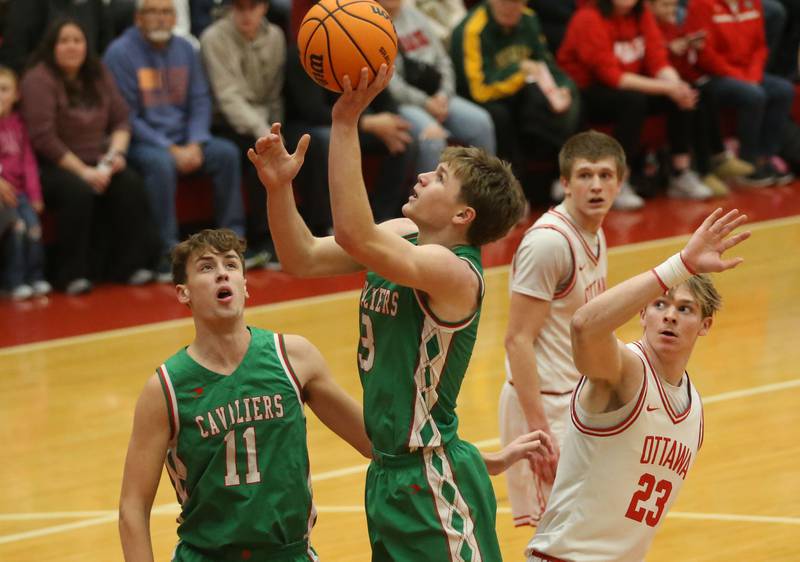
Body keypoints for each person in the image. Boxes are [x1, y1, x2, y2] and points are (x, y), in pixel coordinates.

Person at [118, 228, 554, 561]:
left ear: (246, 286)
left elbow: (378, 441)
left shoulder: (293, 357)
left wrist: (477, 460)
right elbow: (132, 507)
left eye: (231, 264)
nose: (222, 274)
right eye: (206, 267)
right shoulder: (167, 387)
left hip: (290, 553)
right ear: (183, 294)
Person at [249, 63, 531, 560]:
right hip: (386, 472)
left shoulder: (456, 272)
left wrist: (345, 122)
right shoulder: (403, 237)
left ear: (463, 215)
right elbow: (303, 258)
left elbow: (356, 234)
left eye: (440, 177)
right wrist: (278, 189)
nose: (423, 175)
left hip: (431, 476)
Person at [526, 207, 750, 561]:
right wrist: (681, 265)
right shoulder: (627, 370)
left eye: (686, 309)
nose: (671, 315)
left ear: (705, 326)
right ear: (643, 314)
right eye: (660, 304)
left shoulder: (693, 409)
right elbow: (584, 326)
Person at [498, 130, 622, 528]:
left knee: (587, 526)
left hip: (577, 398)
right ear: (565, 183)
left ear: (620, 181)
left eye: (605, 175)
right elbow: (517, 339)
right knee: (558, 532)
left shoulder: (596, 232)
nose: (596, 185)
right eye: (585, 175)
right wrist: (539, 431)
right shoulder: (549, 244)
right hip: (544, 405)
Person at [103, 0, 246, 280]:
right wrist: (171, 149)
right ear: (138, 18)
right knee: (161, 164)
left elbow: (201, 100)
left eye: (166, 12)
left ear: (174, 18)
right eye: (152, 12)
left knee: (226, 153)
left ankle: (234, 244)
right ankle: (168, 254)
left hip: (187, 139)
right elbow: (126, 115)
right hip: (143, 142)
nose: (160, 19)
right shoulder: (119, 53)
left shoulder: (186, 49)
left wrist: (194, 142)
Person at [20, 18, 160, 295]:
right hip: (53, 164)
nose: (72, 47)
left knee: (129, 183)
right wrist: (84, 172)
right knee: (78, 191)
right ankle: (71, 274)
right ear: (52, 46)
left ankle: (129, 267)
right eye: (64, 41)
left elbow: (122, 120)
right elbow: (43, 138)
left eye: (78, 40)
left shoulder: (98, 73)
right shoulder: (38, 79)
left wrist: (114, 156)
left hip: (98, 158)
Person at [558, 0, 714, 208]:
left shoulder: (641, 14)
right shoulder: (587, 18)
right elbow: (612, 76)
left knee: (686, 92)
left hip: (628, 84)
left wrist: (678, 87)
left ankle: (680, 173)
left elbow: (657, 60)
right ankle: (617, 182)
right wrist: (669, 88)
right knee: (634, 100)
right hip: (586, 91)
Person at [450, 0, 580, 204]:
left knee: (569, 98)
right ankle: (510, 191)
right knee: (500, 116)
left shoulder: (529, 19)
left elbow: (545, 62)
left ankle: (559, 178)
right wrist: (519, 72)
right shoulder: (472, 29)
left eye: (515, 2)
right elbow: (479, 91)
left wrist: (562, 87)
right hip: (478, 97)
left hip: (515, 91)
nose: (508, 7)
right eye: (504, 2)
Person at [283, 42, 416, 234]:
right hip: (308, 125)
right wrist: (367, 122)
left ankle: (381, 219)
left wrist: (390, 120)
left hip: (352, 122)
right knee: (323, 140)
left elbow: (384, 98)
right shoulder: (304, 53)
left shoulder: (359, 47)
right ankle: (325, 225)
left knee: (404, 138)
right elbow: (311, 111)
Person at [200, 0, 286, 267]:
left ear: (264, 8)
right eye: (239, 8)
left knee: (292, 148)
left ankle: (280, 238)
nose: (246, 14)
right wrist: (264, 132)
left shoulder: (276, 36)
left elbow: (275, 92)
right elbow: (228, 96)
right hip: (227, 121)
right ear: (230, 9)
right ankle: (246, 241)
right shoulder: (213, 38)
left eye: (252, 7)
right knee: (256, 155)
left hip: (265, 118)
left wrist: (275, 129)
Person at [377, 0, 496, 177]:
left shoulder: (414, 15)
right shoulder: (371, 23)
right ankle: (423, 203)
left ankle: (483, 197)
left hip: (438, 95)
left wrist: (443, 94)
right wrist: (426, 103)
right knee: (433, 138)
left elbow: (444, 60)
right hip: (403, 103)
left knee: (481, 123)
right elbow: (389, 82)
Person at [647, 0, 754, 196]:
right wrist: (669, 50)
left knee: (705, 90)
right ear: (649, 6)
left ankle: (718, 159)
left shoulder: (671, 26)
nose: (671, 10)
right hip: (651, 86)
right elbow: (650, 62)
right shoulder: (648, 27)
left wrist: (689, 48)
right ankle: (692, 171)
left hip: (673, 81)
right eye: (664, 6)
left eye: (672, 6)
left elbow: (681, 68)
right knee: (688, 98)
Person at [684, 0, 796, 186]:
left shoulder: (752, 4)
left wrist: (752, 74)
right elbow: (705, 54)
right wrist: (741, 77)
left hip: (747, 73)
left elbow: (760, 46)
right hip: (713, 76)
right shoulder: (701, 5)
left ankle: (765, 157)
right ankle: (747, 163)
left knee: (783, 90)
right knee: (754, 95)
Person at [0, 65, 51, 300]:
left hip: (22, 194)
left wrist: (35, 195)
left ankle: (36, 277)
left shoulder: (20, 124)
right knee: (17, 229)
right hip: (4, 195)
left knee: (33, 229)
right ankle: (14, 280)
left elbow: (29, 163)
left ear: (17, 94)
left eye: (4, 89)